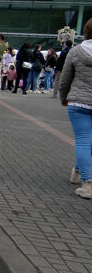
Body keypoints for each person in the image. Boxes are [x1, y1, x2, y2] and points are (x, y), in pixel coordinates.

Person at [58, 19, 92, 199]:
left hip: (78, 103)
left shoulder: (76, 51)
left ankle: (87, 183)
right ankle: (78, 173)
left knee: (84, 141)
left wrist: (63, 97)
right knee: (89, 142)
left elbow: (65, 79)